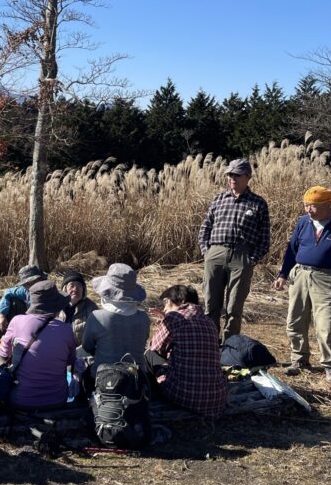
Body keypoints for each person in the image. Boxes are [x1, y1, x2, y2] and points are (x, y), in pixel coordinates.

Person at [273, 185, 331, 383]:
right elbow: (292, 249)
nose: (308, 210)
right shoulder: (303, 222)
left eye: (313, 206)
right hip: (300, 275)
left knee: (326, 324)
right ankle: (299, 360)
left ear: (327, 205)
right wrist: (283, 274)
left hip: (327, 279)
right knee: (295, 320)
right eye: (306, 205)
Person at [198, 158, 270, 342]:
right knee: (211, 304)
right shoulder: (219, 199)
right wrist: (206, 251)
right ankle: (210, 343)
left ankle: (230, 346)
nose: (232, 178)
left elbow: (264, 237)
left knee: (234, 306)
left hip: (242, 256)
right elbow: (205, 227)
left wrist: (252, 258)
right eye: (230, 174)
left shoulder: (258, 203)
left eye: (236, 175)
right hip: (215, 253)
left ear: (247, 177)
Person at [0, 280, 76, 409]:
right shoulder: (66, 329)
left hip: (21, 401)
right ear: (57, 306)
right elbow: (70, 361)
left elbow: (3, 354)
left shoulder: (17, 321)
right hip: (58, 400)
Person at [145, 284, 228, 420]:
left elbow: (155, 347)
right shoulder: (209, 321)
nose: (165, 309)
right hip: (216, 398)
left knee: (148, 355)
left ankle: (152, 393)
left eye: (166, 303)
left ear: (178, 301)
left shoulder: (174, 318)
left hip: (185, 396)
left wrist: (163, 322)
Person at [82, 264, 151, 369]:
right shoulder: (144, 318)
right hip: (137, 377)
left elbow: (87, 346)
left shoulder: (97, 317)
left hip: (104, 378)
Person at [0, 265, 47, 340]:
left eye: (31, 282)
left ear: (40, 279)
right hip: (29, 320)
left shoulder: (48, 291)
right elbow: (7, 292)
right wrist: (1, 315)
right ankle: (3, 330)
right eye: (26, 283)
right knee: (13, 300)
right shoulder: (25, 290)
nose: (27, 285)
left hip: (45, 325)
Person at [60, 269, 97, 348]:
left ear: (84, 289)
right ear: (65, 288)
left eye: (79, 285)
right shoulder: (56, 307)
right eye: (72, 285)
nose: (75, 289)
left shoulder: (91, 308)